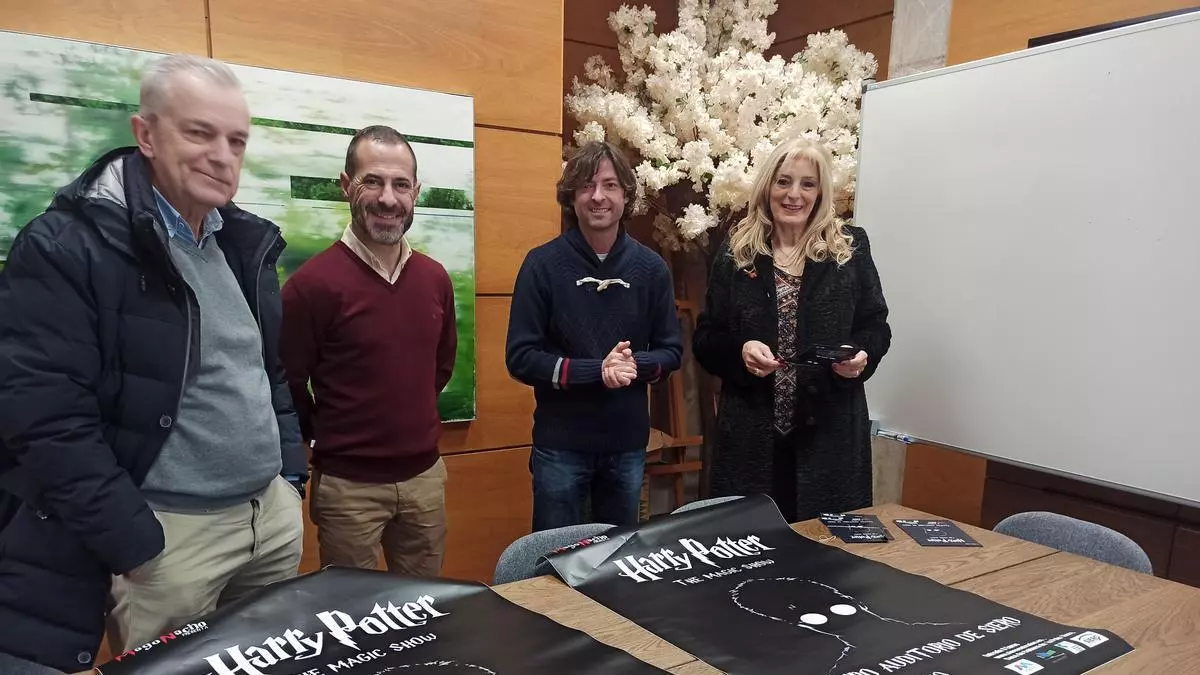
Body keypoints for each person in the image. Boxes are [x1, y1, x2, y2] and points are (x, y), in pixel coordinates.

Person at [0, 54, 308, 671]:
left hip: (267, 522)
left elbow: (264, 371)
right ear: (146, 135)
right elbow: (44, 419)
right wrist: (133, 541)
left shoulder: (241, 243)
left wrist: (289, 479)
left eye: (236, 141)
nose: (222, 156)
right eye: (199, 133)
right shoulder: (67, 246)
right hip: (169, 539)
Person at [280, 126, 457, 576]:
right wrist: (332, 436)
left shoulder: (435, 279)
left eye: (401, 184)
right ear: (346, 185)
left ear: (416, 192)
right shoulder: (310, 286)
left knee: (425, 606)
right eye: (372, 181)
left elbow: (440, 366)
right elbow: (287, 384)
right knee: (353, 611)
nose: (388, 199)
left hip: (425, 480)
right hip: (348, 489)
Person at [692, 138, 890, 523]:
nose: (794, 194)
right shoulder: (737, 251)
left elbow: (876, 325)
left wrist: (863, 354)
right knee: (750, 545)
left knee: (826, 548)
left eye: (807, 184)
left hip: (830, 437)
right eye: (783, 181)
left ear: (821, 192)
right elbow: (706, 337)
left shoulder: (850, 248)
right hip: (751, 438)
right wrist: (739, 350)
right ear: (768, 186)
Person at [505, 141, 682, 531]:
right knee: (556, 555)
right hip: (560, 446)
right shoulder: (542, 264)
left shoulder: (651, 268)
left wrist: (633, 365)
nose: (598, 196)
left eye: (610, 185)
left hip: (627, 446)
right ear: (571, 196)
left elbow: (671, 351)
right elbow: (521, 357)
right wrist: (597, 371)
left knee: (617, 556)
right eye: (586, 185)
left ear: (626, 195)